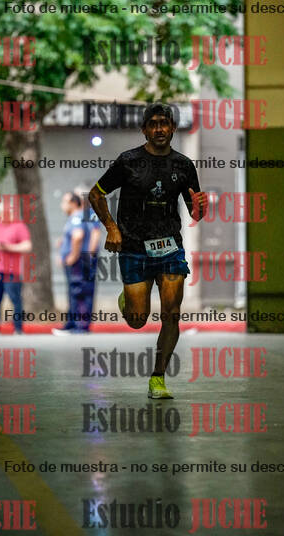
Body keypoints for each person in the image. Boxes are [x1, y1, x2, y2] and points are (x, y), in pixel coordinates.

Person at [89, 102, 207, 398]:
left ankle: (158, 377)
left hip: (170, 248)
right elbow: (95, 194)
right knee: (137, 320)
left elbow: (195, 211)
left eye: (164, 123)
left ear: (173, 128)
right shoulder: (128, 161)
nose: (159, 129)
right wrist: (112, 228)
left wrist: (201, 209)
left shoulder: (184, 165)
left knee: (172, 313)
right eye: (153, 124)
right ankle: (128, 301)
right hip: (134, 247)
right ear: (144, 129)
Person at [53, 192, 101, 334]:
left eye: (64, 202)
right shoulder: (77, 217)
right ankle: (73, 323)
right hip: (80, 261)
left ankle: (80, 326)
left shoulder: (78, 217)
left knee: (79, 292)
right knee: (75, 291)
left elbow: (78, 236)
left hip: (80, 261)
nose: (62, 205)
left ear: (74, 203)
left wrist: (73, 256)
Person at [0, 200, 32, 335]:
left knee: (15, 299)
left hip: (12, 271)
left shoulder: (19, 226)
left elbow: (27, 246)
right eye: (1, 213)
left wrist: (9, 247)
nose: (3, 215)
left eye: (6, 213)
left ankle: (18, 328)